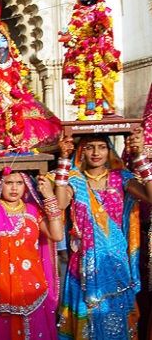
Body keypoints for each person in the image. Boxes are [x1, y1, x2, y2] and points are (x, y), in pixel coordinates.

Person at [56, 128, 152, 339]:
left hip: (115, 260)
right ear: (81, 151)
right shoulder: (75, 180)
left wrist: (140, 156)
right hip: (83, 264)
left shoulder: (121, 178)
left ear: (109, 151)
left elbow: (149, 196)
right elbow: (61, 203)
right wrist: (63, 160)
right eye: (89, 148)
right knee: (86, 319)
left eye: (101, 147)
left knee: (117, 318)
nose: (96, 153)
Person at [0, 171, 63, 339]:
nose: (14, 188)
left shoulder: (33, 210)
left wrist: (49, 197)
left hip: (30, 287)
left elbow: (57, 235)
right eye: (8, 182)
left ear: (26, 185)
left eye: (19, 183)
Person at [0, 16, 60, 161]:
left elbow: (19, 84)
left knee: (41, 124)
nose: (1, 45)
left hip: (19, 102)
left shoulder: (14, 63)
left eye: (3, 40)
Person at [59, 0, 121, 120]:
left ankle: (106, 106)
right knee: (85, 82)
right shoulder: (76, 15)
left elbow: (107, 29)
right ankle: (89, 107)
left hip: (100, 51)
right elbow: (71, 32)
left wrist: (101, 24)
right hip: (82, 54)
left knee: (104, 79)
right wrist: (68, 38)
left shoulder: (102, 11)